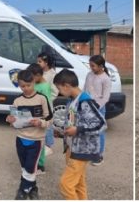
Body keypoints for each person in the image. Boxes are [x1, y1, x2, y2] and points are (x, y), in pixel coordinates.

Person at [54, 69, 105, 200]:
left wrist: (78, 130)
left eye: (59, 88)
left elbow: (100, 123)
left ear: (66, 85)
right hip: (72, 148)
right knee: (78, 183)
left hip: (81, 150)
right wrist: (62, 133)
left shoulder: (85, 101)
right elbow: (72, 122)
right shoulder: (72, 101)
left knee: (65, 184)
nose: (59, 92)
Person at [6, 69, 52, 200]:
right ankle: (33, 188)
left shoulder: (42, 99)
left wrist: (41, 122)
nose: (26, 88)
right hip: (20, 138)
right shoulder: (17, 101)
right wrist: (9, 120)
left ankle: (23, 189)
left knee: (30, 167)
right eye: (22, 86)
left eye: (28, 85)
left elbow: (50, 118)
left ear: (34, 82)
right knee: (25, 166)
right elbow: (13, 121)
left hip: (36, 140)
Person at [35, 53, 59, 172]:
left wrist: (48, 100)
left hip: (47, 105)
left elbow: (54, 91)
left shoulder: (52, 74)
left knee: (48, 126)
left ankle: (48, 146)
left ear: (46, 63)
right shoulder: (39, 74)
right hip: (39, 106)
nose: (38, 63)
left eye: (40, 61)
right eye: (37, 61)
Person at [86, 55, 110, 166]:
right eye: (90, 65)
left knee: (99, 132)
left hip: (99, 108)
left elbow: (106, 97)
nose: (91, 68)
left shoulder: (105, 79)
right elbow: (85, 90)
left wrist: (97, 105)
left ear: (101, 66)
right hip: (87, 107)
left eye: (93, 66)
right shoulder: (89, 75)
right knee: (88, 130)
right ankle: (91, 152)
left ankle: (99, 156)